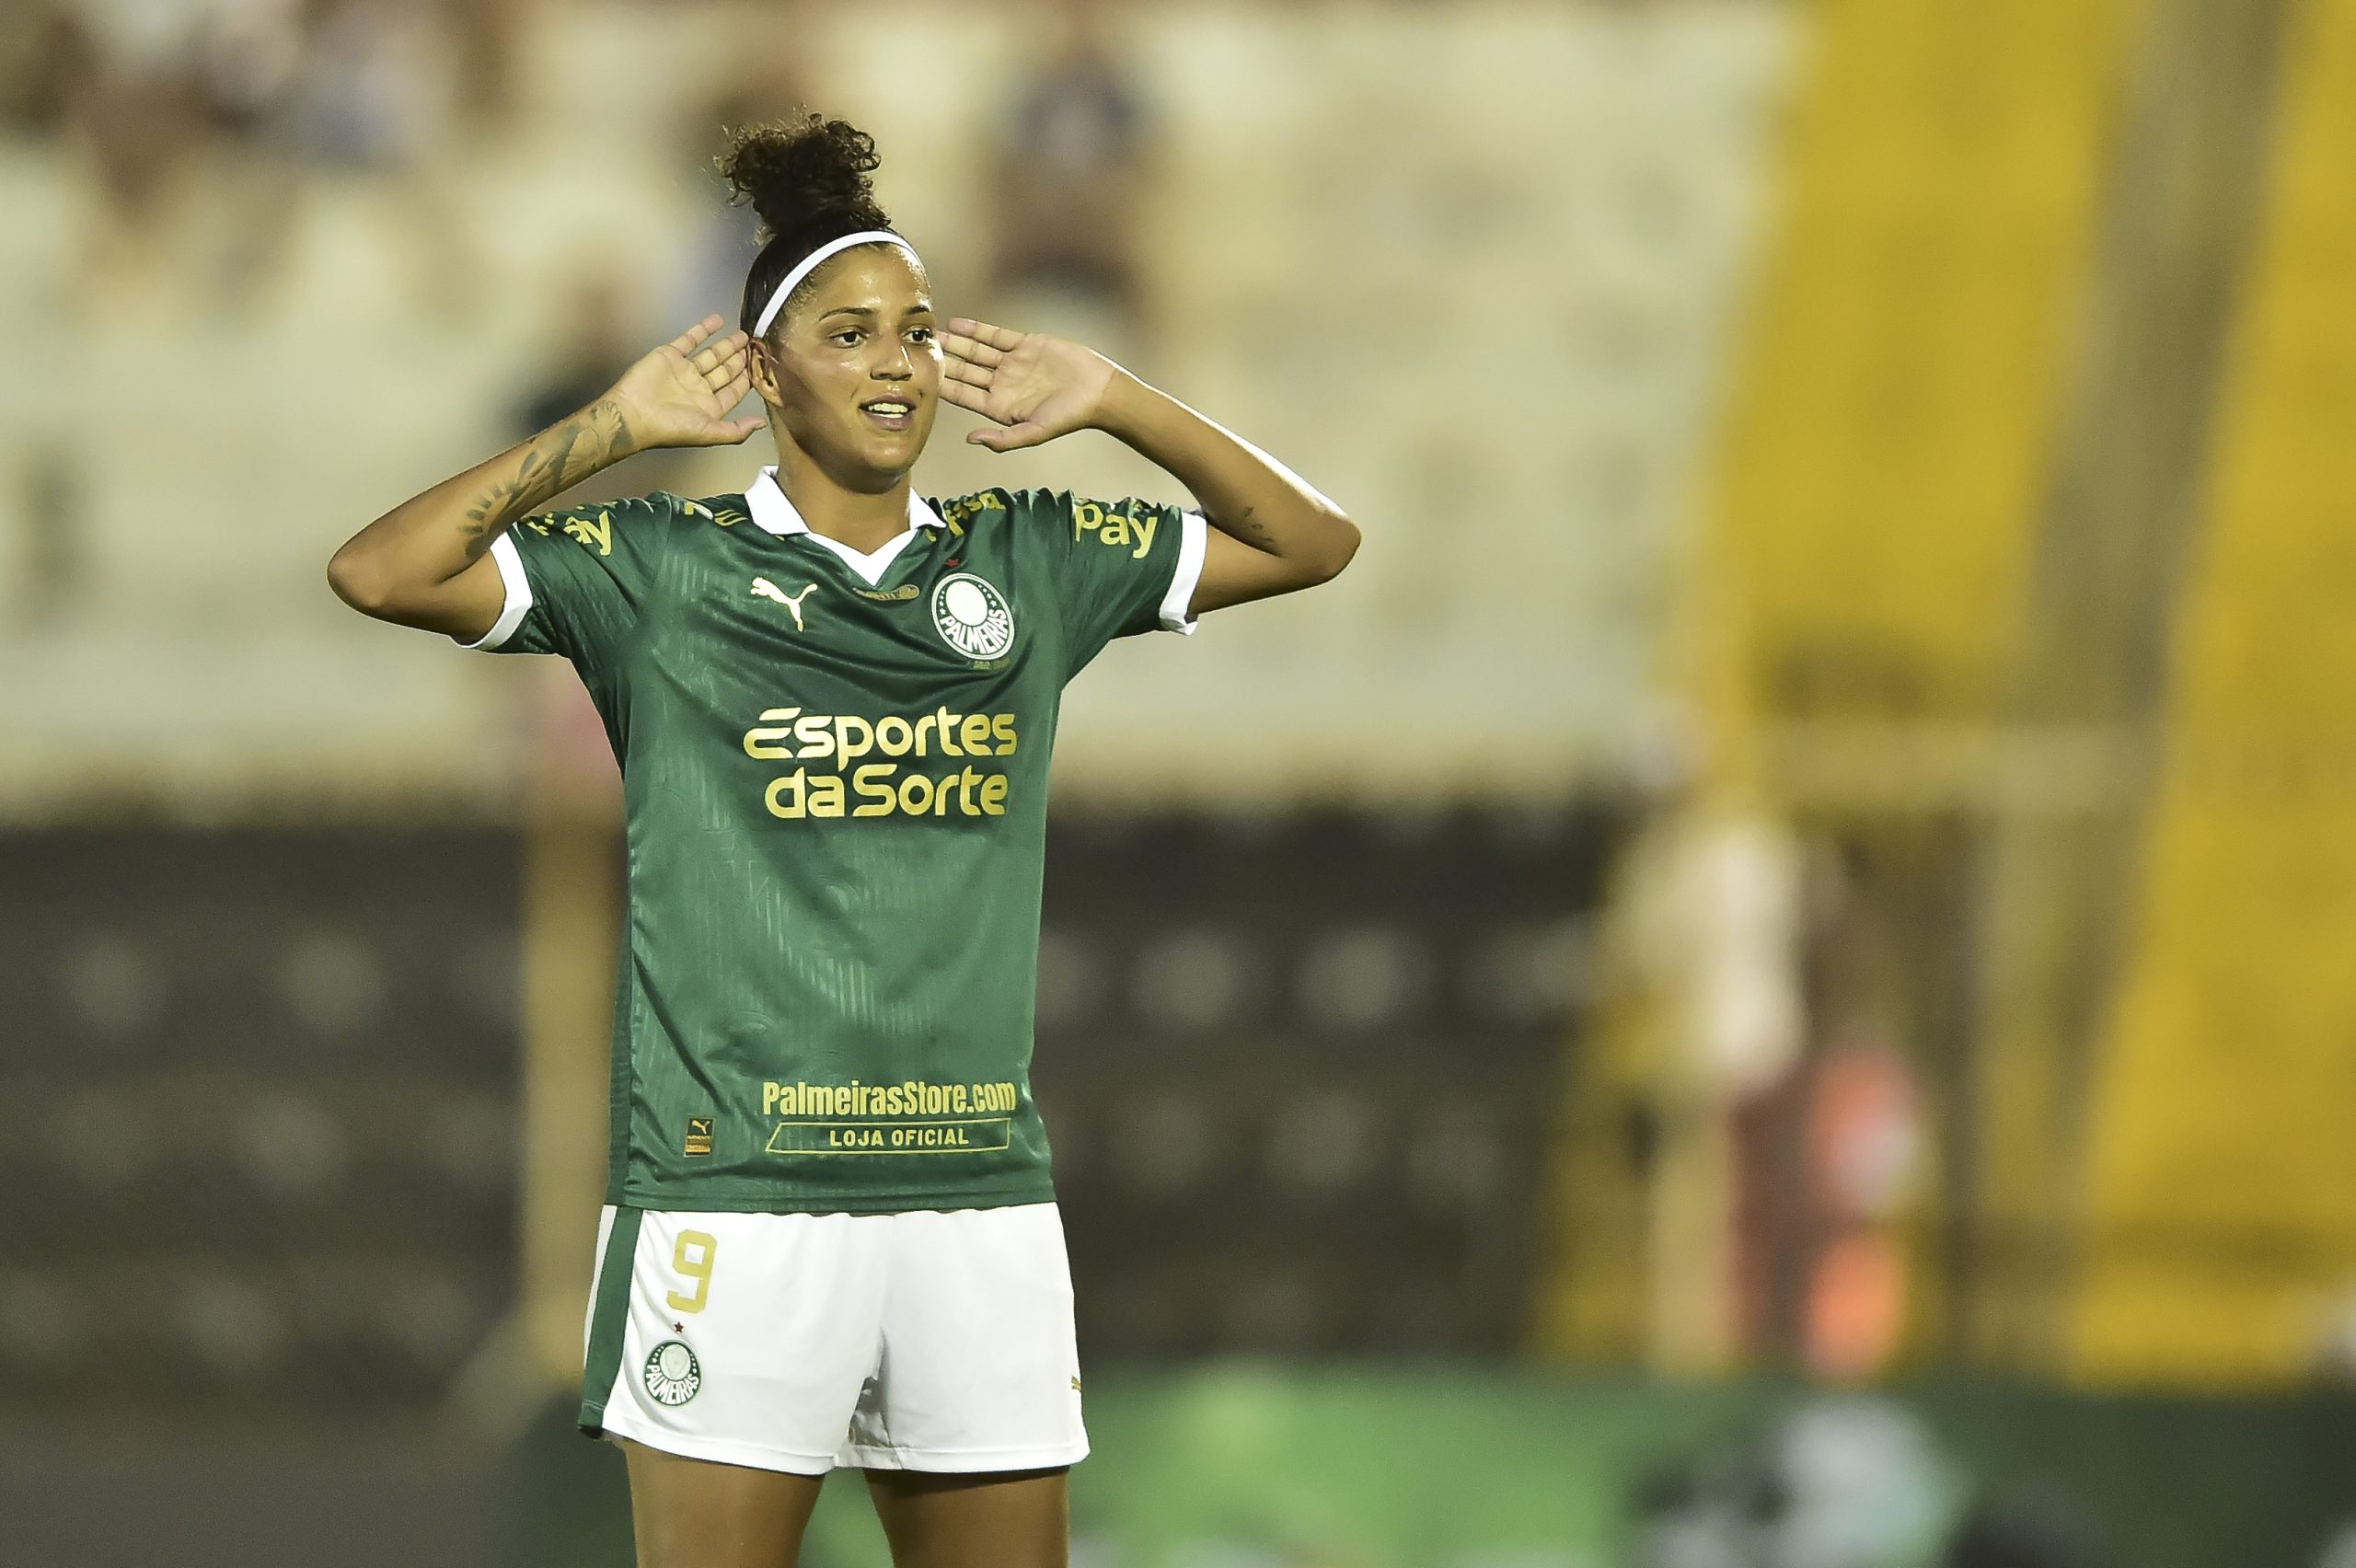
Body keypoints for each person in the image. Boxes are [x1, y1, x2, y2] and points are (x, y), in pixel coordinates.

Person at [325, 115, 1357, 1568]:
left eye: (919, 332)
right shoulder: (663, 576)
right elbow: (380, 571)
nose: (897, 363)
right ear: (761, 370)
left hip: (974, 1201)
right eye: (852, 333)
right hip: (737, 1202)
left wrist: (1119, 397)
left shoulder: (1027, 560)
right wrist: (612, 430)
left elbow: (1315, 541)